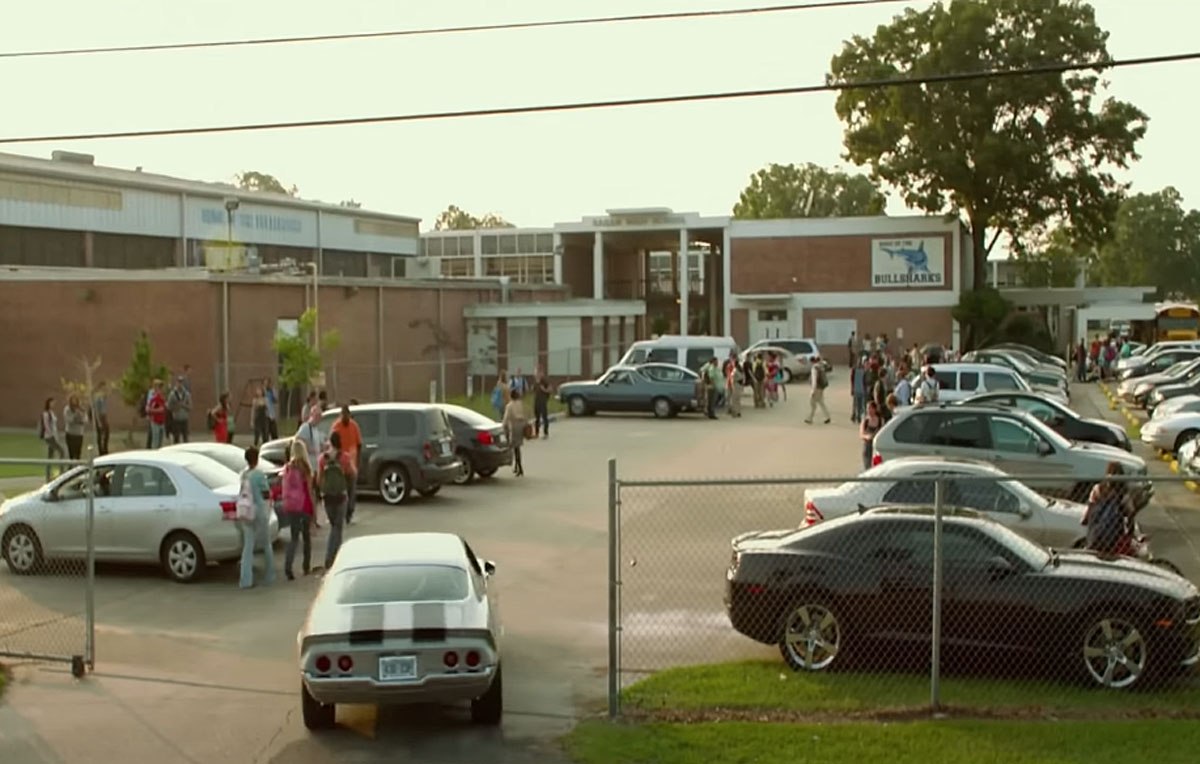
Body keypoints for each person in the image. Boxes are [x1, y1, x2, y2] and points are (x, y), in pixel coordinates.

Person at [238, 446, 275, 590]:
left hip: (246, 511)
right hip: (259, 510)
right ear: (257, 459)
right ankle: (269, 575)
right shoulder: (259, 475)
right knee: (266, 543)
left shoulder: (243, 475)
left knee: (248, 546)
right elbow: (266, 493)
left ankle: (245, 580)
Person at [1082, 462, 1136, 555]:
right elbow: (1131, 513)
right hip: (1114, 536)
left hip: (1096, 532)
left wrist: (1085, 520)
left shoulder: (1098, 488)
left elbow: (1090, 507)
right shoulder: (1123, 493)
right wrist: (1130, 533)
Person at [318, 431, 353, 570]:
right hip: (341, 496)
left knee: (334, 527)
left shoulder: (323, 458)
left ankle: (332, 557)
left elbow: (319, 479)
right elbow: (352, 473)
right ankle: (332, 558)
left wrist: (322, 491)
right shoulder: (344, 457)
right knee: (337, 528)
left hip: (328, 498)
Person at [279, 439, 314, 580]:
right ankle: (306, 567)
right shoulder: (304, 468)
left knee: (294, 538)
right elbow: (310, 491)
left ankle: (288, 567)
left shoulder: (287, 467)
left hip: (289, 505)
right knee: (306, 537)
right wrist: (314, 512)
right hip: (303, 505)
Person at [330, 405, 362, 524]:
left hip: (352, 463)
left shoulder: (354, 426)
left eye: (347, 416)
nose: (345, 418)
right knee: (341, 490)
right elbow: (332, 443)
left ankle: (350, 512)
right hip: (340, 464)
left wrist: (359, 462)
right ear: (341, 415)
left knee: (351, 490)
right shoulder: (336, 426)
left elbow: (359, 445)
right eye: (343, 416)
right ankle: (342, 512)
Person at [39, 397, 64, 482]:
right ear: (48, 403)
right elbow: (46, 426)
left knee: (50, 456)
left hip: (53, 436)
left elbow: (54, 426)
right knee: (62, 451)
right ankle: (61, 472)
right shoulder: (46, 414)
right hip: (49, 437)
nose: (53, 404)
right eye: (52, 403)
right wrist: (52, 435)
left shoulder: (51, 413)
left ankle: (48, 476)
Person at [503, 390, 527, 476]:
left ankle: (520, 468)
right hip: (521, 426)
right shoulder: (520, 404)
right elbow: (525, 414)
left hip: (514, 427)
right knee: (517, 447)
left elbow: (506, 418)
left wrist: (503, 426)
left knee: (515, 448)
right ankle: (517, 467)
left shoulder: (509, 406)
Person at [296, 407, 326, 471]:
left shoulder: (316, 430)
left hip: (316, 466)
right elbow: (298, 442)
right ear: (311, 415)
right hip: (309, 465)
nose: (319, 418)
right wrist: (309, 449)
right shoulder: (305, 427)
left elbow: (319, 445)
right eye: (317, 416)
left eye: (320, 416)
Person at [804, 354, 831, 425]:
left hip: (816, 388)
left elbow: (814, 381)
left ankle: (809, 418)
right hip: (821, 387)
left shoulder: (814, 369)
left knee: (812, 404)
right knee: (821, 402)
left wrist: (813, 391)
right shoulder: (821, 366)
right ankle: (827, 417)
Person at [62, 395, 87, 461]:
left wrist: (81, 418)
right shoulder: (67, 409)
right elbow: (69, 420)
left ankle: (78, 468)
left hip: (79, 434)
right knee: (72, 454)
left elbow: (85, 420)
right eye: (73, 400)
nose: (74, 402)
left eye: (76, 400)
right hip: (70, 434)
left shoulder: (81, 409)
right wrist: (75, 414)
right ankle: (71, 468)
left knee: (78, 453)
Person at [167, 376, 191, 444]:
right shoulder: (172, 394)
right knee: (176, 438)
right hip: (176, 418)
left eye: (181, 382)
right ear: (176, 383)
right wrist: (176, 407)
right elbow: (169, 406)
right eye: (179, 382)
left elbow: (190, 406)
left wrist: (184, 405)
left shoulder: (187, 394)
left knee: (185, 437)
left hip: (185, 418)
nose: (180, 384)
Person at [860, 400, 883, 470]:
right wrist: (867, 437)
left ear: (875, 409)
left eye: (870, 408)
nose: (869, 411)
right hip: (867, 447)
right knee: (867, 467)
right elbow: (861, 434)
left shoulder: (880, 420)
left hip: (877, 448)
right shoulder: (865, 421)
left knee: (876, 467)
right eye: (868, 409)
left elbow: (883, 431)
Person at [146, 380, 167, 449]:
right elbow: (148, 409)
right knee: (155, 440)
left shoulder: (162, 398)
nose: (161, 390)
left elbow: (164, 408)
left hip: (161, 421)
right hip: (155, 421)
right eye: (159, 388)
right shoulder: (154, 398)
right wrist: (158, 410)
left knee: (160, 441)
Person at [92, 382, 110, 456]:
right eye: (104, 388)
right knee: (100, 434)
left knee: (106, 433)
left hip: (104, 416)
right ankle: (101, 451)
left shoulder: (103, 397)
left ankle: (105, 448)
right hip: (99, 417)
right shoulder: (97, 398)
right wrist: (98, 421)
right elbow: (96, 410)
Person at [532, 370, 551, 438]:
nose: (537, 375)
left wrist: (544, 390)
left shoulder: (545, 381)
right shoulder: (535, 382)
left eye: (538, 373)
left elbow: (550, 389)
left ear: (541, 373)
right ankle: (536, 433)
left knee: (544, 417)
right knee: (537, 418)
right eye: (536, 373)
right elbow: (534, 390)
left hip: (543, 402)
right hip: (537, 401)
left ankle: (546, 433)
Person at [725, 353, 743, 418]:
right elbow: (727, 374)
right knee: (729, 397)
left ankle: (736, 411)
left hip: (734, 383)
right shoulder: (729, 365)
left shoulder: (737, 367)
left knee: (735, 399)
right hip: (730, 383)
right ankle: (730, 409)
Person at [851, 358, 866, 423]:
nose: (859, 363)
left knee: (859, 404)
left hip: (861, 389)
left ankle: (858, 416)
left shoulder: (864, 370)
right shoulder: (854, 370)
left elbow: (865, 380)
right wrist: (852, 388)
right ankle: (855, 415)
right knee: (856, 404)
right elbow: (852, 380)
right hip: (857, 389)